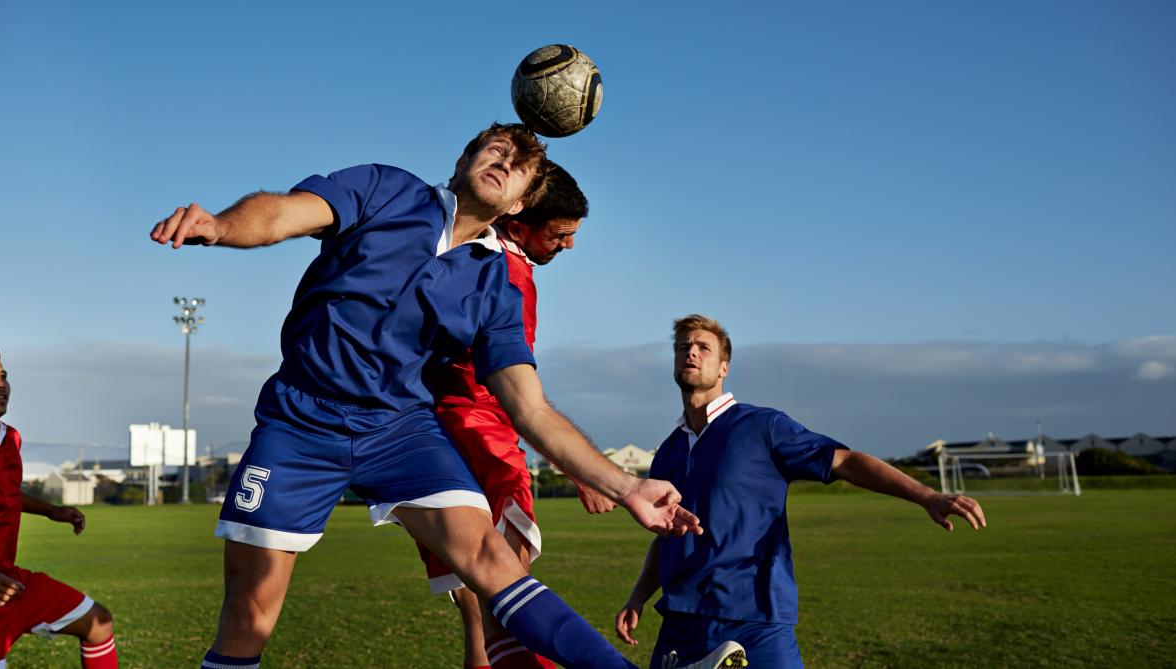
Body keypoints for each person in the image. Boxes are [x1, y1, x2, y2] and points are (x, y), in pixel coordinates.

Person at [151, 124, 731, 669]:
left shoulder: (495, 286)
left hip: (399, 431)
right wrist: (223, 226)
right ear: (463, 161)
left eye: (521, 166)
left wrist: (627, 486)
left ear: (519, 204)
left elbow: (528, 407)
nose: (505, 162)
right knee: (249, 615)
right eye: (496, 150)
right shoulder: (384, 188)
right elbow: (284, 213)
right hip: (300, 422)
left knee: (492, 559)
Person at [615, 315, 987, 668]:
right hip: (681, 619)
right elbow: (665, 536)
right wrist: (639, 595)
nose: (690, 352)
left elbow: (846, 462)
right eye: (682, 347)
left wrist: (926, 495)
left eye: (702, 347)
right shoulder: (668, 452)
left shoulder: (763, 426)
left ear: (724, 367)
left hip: (755, 618)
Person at [415, 162, 614, 669]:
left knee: (477, 605)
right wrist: (578, 467)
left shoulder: (458, 249)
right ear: (520, 223)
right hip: (480, 431)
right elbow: (517, 394)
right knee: (511, 590)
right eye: (561, 234)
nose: (568, 246)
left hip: (428, 435)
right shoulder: (507, 271)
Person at [0, 341, 117, 668]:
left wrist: (50, 511)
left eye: (3, 375)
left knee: (98, 624)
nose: (0, 382)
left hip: (7, 583)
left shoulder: (9, 438)